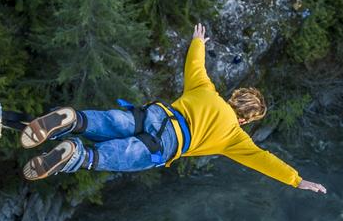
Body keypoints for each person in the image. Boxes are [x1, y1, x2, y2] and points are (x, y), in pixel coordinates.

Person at [20, 23, 326, 194]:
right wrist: (297, 180)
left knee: (113, 122)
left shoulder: (206, 89)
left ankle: (74, 119)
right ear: (246, 119)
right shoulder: (235, 137)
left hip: (155, 115)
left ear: (234, 97)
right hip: (167, 144)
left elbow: (195, 64)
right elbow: (264, 160)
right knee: (112, 156)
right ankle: (76, 154)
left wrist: (198, 41)